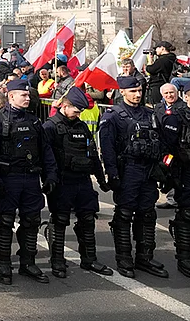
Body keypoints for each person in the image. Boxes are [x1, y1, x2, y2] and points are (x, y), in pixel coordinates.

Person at [0, 78, 58, 285]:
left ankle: (28, 262)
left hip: (31, 177)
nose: (28, 98)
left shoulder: (34, 121)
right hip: (9, 179)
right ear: (11, 96)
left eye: (28, 95)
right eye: (23, 95)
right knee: (5, 221)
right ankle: (4, 265)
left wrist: (50, 175)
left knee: (31, 220)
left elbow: (45, 150)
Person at [99, 75, 169, 278]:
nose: (137, 94)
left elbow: (162, 143)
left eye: (139, 91)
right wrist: (112, 175)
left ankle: (145, 257)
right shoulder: (113, 116)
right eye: (133, 91)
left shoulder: (150, 114)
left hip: (148, 171)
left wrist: (164, 169)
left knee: (147, 214)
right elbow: (108, 149)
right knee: (125, 215)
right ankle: (124, 259)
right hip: (127, 170)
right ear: (123, 92)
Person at [42, 87, 113, 279]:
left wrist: (101, 180)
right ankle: (57, 261)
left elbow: (93, 156)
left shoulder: (81, 127)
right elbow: (45, 157)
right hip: (62, 181)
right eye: (76, 110)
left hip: (82, 180)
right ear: (65, 106)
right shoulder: (50, 127)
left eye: (80, 111)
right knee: (60, 221)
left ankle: (89, 258)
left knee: (88, 219)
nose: (78, 113)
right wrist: (49, 179)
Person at [161, 80, 190, 279]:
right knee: (187, 217)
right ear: (186, 97)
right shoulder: (176, 119)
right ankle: (185, 257)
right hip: (188, 174)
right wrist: (168, 174)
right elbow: (167, 150)